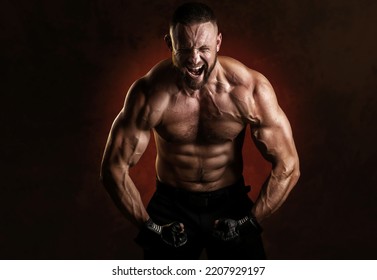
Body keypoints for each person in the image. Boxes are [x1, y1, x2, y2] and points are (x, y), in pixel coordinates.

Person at [100, 2, 300, 260]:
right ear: (169, 44)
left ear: (218, 42)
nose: (194, 59)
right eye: (184, 48)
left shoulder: (249, 90)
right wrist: (149, 227)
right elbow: (113, 168)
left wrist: (249, 222)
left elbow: (289, 164)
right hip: (171, 206)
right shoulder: (149, 94)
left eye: (204, 48)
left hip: (231, 204)